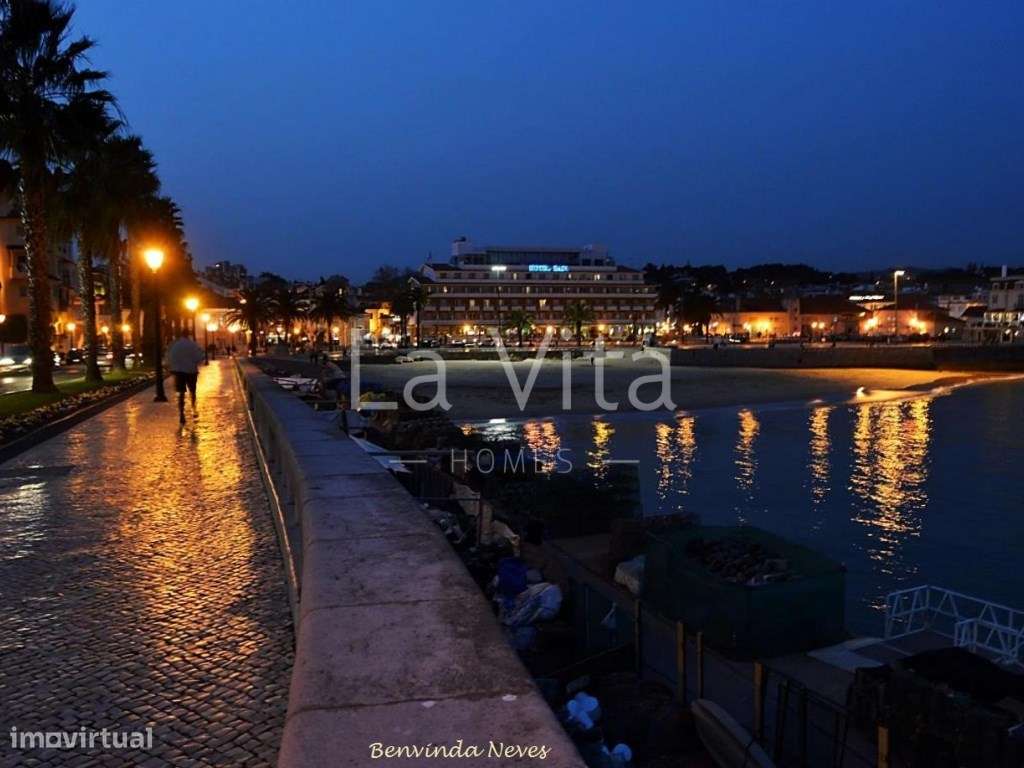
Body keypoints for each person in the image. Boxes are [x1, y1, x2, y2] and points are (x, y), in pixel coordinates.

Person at [167, 328, 206, 424]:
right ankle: (193, 409)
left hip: (179, 372)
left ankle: (181, 414)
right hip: (191, 371)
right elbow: (199, 357)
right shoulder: (193, 345)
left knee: (181, 393)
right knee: (192, 391)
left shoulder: (175, 345)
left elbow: (170, 357)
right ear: (189, 334)